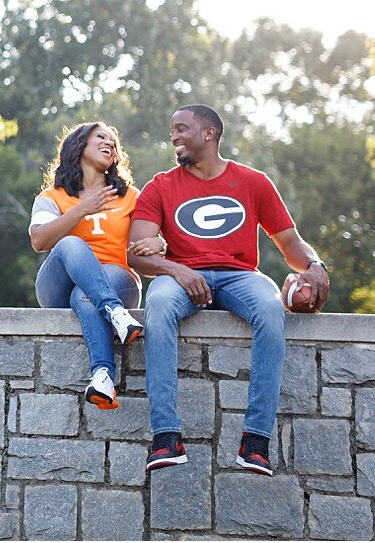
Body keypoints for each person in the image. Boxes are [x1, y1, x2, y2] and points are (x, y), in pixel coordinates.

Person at [129, 104, 330, 477]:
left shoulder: (253, 182)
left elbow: (290, 244)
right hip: (180, 276)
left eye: (181, 128)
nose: (173, 136)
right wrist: (178, 269)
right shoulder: (160, 186)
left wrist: (315, 266)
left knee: (270, 308)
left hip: (240, 276)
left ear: (209, 133)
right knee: (157, 303)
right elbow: (137, 255)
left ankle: (255, 442)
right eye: (171, 130)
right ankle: (166, 436)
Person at [29, 121, 160, 409]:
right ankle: (115, 311)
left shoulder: (129, 196)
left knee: (84, 294)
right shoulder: (52, 197)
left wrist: (161, 243)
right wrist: (82, 210)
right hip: (58, 287)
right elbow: (39, 240)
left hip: (117, 277)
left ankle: (102, 376)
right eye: (101, 137)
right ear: (79, 145)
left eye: (113, 142)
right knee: (69, 244)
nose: (110, 144)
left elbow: (154, 241)